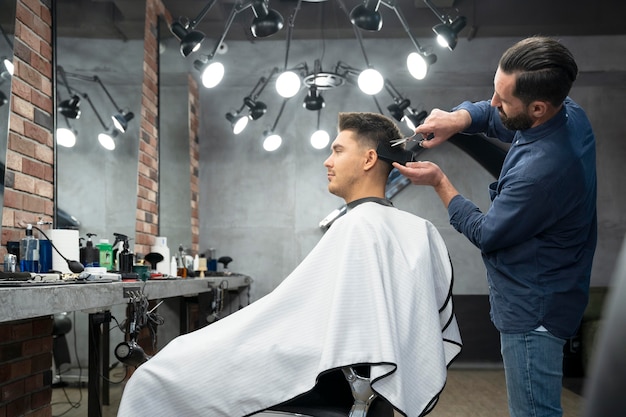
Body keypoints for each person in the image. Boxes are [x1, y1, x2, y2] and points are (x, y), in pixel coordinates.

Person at [117, 112, 461, 417]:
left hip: (332, 382)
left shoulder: (358, 225)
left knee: (155, 376)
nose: (328, 161)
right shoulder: (418, 229)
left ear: (369, 158)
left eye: (338, 150)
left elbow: (295, 318)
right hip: (359, 380)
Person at [393, 36, 597, 417]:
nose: (493, 103)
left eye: (503, 98)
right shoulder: (568, 112)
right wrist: (459, 118)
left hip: (534, 310)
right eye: (494, 90)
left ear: (537, 107)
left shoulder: (542, 172)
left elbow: (487, 233)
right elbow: (500, 118)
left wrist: (441, 183)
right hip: (553, 288)